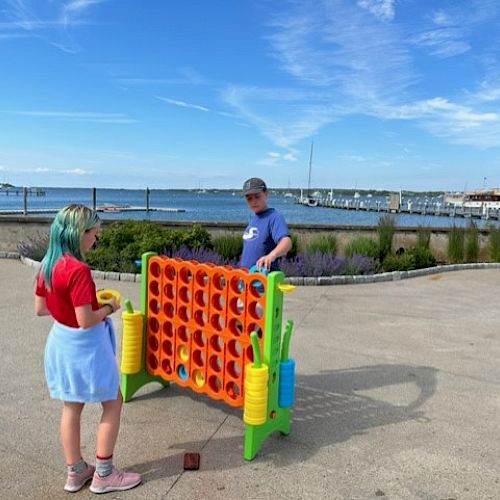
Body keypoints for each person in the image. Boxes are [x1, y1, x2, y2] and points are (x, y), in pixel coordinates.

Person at [34, 204, 141, 494]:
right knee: (112, 401)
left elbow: (41, 309)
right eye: (95, 233)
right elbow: (86, 320)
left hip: (61, 342)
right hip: (86, 347)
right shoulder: (78, 270)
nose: (96, 239)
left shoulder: (47, 264)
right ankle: (104, 474)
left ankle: (75, 471)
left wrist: (82, 305)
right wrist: (109, 306)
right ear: (79, 233)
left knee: (72, 405)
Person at [240, 177, 292, 271]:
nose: (253, 201)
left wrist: (272, 255)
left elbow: (286, 242)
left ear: (266, 193)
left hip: (264, 278)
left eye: (257, 196)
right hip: (246, 278)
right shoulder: (252, 218)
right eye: (249, 198)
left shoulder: (274, 217)